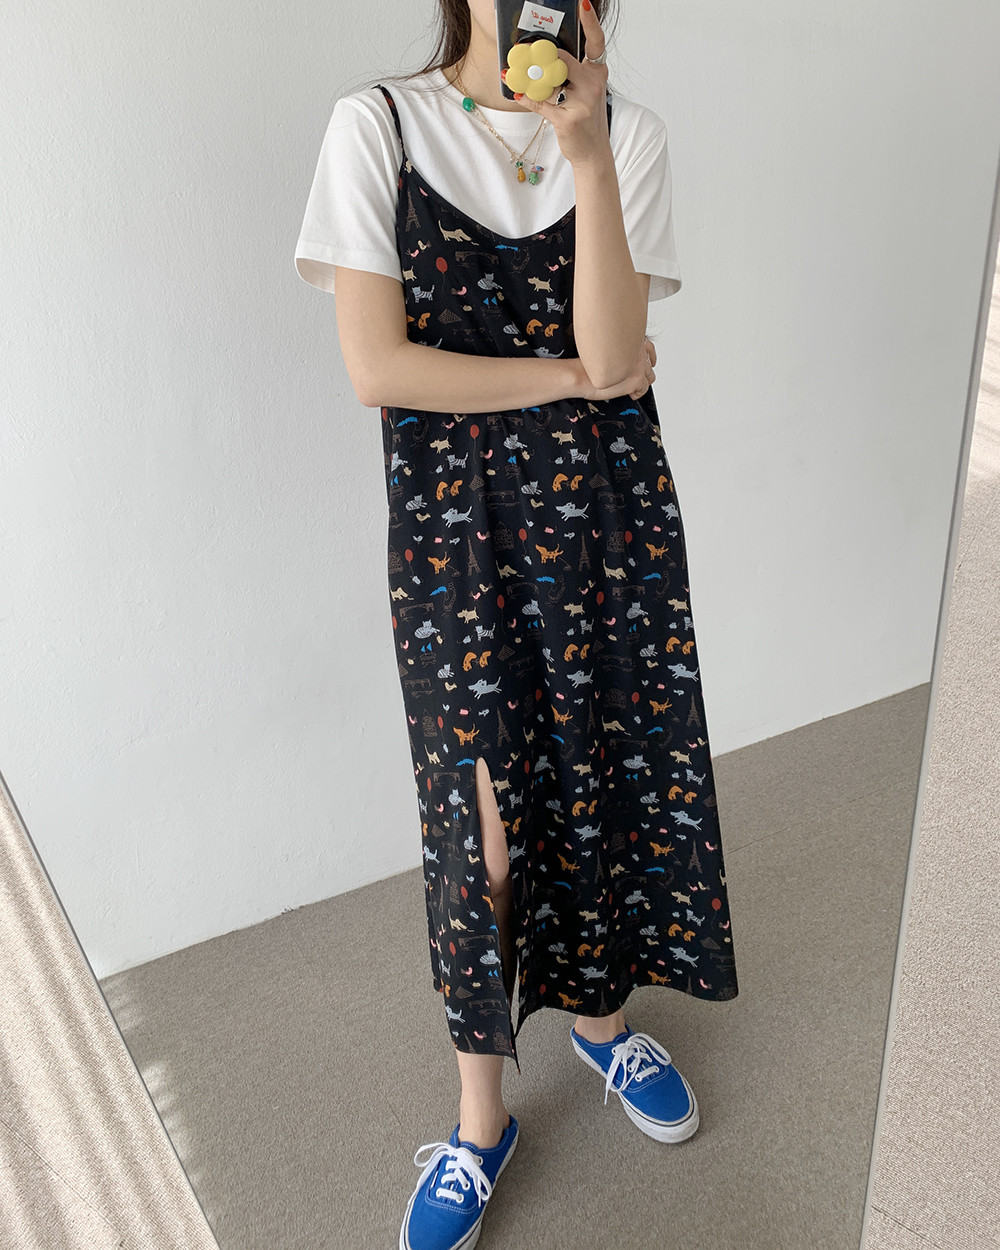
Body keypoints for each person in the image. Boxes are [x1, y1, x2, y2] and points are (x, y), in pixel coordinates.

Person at [294, 3, 739, 1246]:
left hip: (605, 517)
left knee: (597, 778)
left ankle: (600, 1022)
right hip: (457, 532)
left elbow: (614, 339)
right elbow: (381, 368)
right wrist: (569, 381)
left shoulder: (628, 137)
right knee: (480, 827)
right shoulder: (379, 127)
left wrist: (584, 151)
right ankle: (481, 1118)